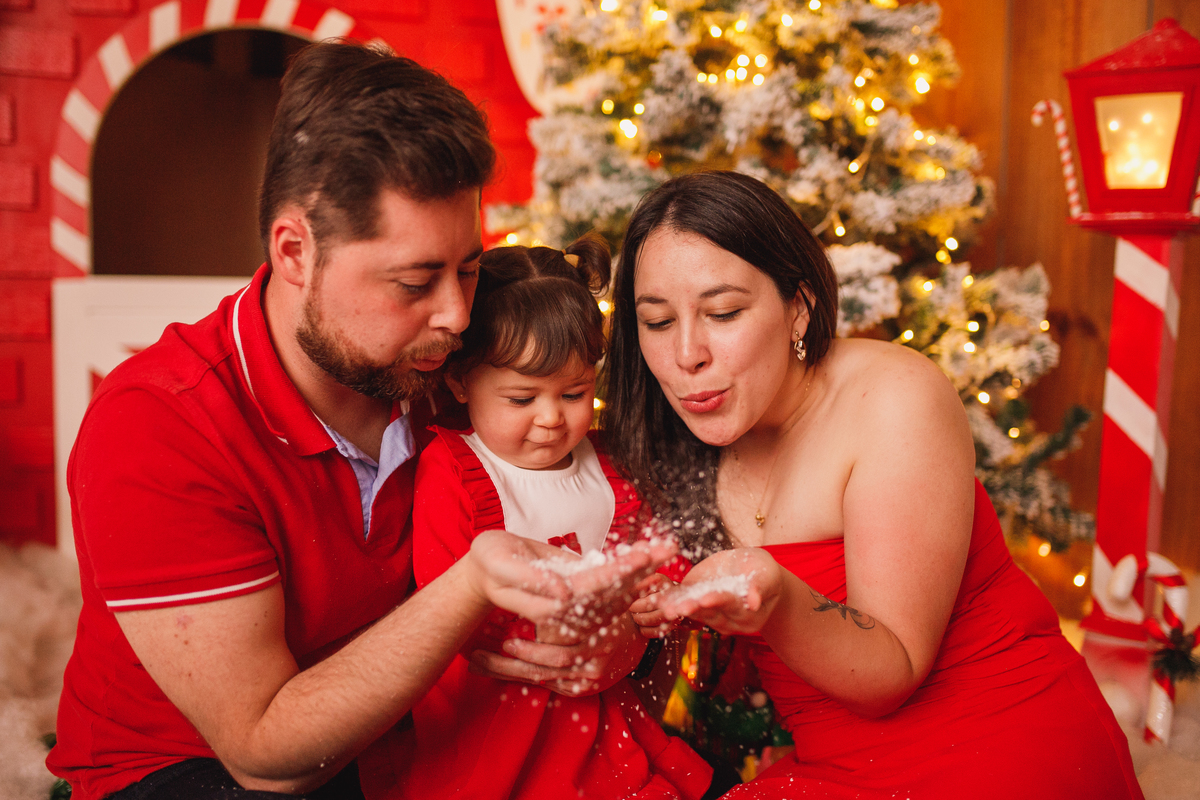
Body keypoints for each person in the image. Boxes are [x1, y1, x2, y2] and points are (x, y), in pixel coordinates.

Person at [48, 41, 667, 800]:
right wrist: (469, 587)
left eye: (468, 268)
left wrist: (615, 642)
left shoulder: (445, 365)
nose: (457, 313)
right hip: (199, 772)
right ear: (295, 252)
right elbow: (261, 751)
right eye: (415, 282)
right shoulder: (157, 428)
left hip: (400, 741)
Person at [607, 171, 1144, 799]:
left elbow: (893, 669)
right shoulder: (663, 442)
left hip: (997, 743)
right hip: (831, 766)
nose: (687, 353)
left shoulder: (892, 398)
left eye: (723, 312)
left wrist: (777, 602)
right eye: (657, 322)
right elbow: (668, 681)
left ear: (798, 308)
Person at [357, 235, 711, 800]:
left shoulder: (612, 467)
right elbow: (446, 602)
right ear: (459, 382)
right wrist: (574, 624)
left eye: (574, 393)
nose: (551, 419)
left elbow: (657, 561)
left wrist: (650, 606)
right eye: (522, 400)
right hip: (496, 723)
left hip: (608, 712)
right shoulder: (455, 470)